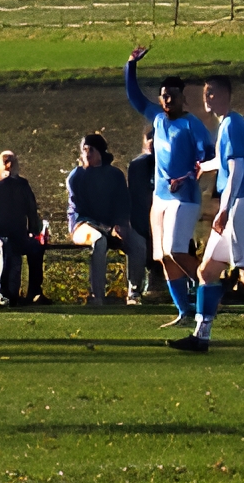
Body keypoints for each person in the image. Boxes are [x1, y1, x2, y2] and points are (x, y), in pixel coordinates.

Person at [173, 77, 244, 352]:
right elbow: (225, 161)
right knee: (207, 271)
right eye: (206, 94)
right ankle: (201, 336)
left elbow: (237, 170)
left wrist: (224, 210)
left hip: (241, 205)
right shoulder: (229, 124)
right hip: (236, 205)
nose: (208, 99)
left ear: (226, 95)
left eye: (213, 94)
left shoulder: (231, 124)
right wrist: (203, 166)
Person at [125, 46, 214, 327]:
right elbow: (134, 96)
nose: (167, 100)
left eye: (172, 96)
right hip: (160, 198)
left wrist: (187, 176)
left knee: (177, 250)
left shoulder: (191, 125)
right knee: (163, 256)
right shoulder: (158, 119)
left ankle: (210, 290)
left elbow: (208, 158)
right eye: (163, 95)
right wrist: (131, 65)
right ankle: (185, 312)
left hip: (184, 198)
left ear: (182, 98)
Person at [0, 150, 46, 307]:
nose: (9, 165)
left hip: (20, 235)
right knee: (6, 247)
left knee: (36, 248)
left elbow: (32, 211)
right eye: (6, 161)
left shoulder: (23, 186)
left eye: (11, 161)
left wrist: (33, 232)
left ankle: (34, 292)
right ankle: (4, 293)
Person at [63, 134, 129, 307]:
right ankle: (97, 296)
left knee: (138, 242)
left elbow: (122, 203)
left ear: (100, 151)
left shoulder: (115, 175)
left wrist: (120, 224)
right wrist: (105, 228)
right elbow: (80, 208)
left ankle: (134, 294)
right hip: (83, 226)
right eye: (84, 150)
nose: (87, 154)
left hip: (109, 226)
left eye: (90, 149)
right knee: (99, 241)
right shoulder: (76, 176)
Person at [123, 127, 158, 305]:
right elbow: (135, 197)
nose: (152, 142)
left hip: (163, 219)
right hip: (139, 220)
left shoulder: (168, 163)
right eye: (149, 138)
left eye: (156, 138)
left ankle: (160, 287)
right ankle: (134, 291)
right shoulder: (137, 166)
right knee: (138, 245)